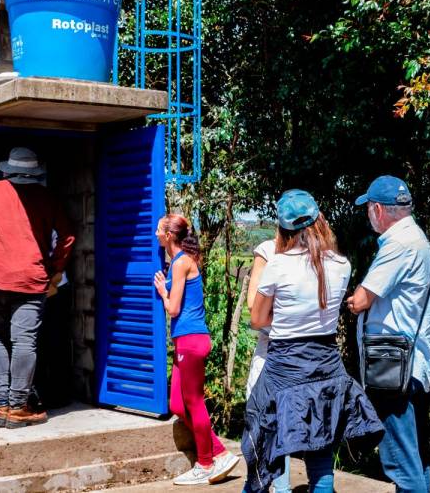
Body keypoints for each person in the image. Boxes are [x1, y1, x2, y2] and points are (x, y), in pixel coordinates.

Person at [242, 190, 384, 493]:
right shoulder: (341, 265)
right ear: (320, 220)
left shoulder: (278, 266)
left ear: (283, 228)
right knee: (321, 457)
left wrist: (283, 319)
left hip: (284, 371)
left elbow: (257, 319)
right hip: (326, 368)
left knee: (264, 447)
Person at [0, 146, 74, 429]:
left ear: (8, 169)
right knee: (25, 341)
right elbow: (68, 236)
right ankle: (18, 407)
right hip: (30, 280)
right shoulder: (47, 198)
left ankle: (1, 407)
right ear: (36, 172)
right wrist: (56, 269)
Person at [345, 176, 430, 493]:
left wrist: (353, 299)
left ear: (379, 209)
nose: (368, 215)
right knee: (417, 458)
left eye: (369, 208)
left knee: (401, 462)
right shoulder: (420, 241)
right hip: (415, 364)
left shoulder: (397, 246)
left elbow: (362, 299)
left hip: (393, 367)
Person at [153, 214, 240, 486]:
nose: (155, 234)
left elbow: (174, 308)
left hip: (191, 339)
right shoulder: (180, 261)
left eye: (159, 230)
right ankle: (219, 452)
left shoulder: (181, 263)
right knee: (178, 405)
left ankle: (205, 463)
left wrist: (163, 292)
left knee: (194, 402)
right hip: (186, 340)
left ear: (169, 236)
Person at [244, 238, 291, 493]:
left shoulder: (270, 252)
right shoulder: (269, 250)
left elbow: (255, 309)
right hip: (289, 348)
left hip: (282, 349)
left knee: (272, 422)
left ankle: (275, 487)